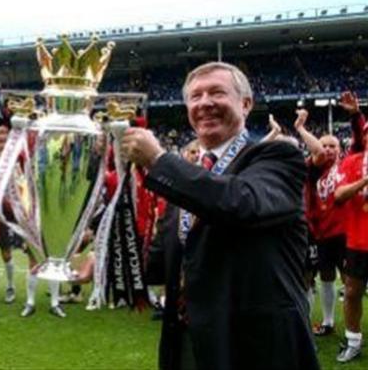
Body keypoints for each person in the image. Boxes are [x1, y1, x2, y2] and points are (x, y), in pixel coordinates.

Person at [121, 62, 318, 370]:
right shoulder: (188, 177)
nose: (205, 103)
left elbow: (240, 202)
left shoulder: (277, 157)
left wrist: (159, 160)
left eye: (217, 93)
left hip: (256, 346)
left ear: (246, 104)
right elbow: (162, 262)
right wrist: (113, 257)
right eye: (195, 96)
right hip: (190, 341)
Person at [294, 94, 365, 338]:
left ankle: (352, 328)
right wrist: (301, 128)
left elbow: (359, 138)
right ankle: (327, 321)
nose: (328, 150)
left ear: (340, 149)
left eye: (333, 146)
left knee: (350, 281)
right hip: (321, 233)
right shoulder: (313, 169)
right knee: (325, 277)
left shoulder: (347, 164)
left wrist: (355, 114)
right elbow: (318, 154)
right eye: (324, 145)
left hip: (346, 233)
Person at [334, 120, 368, 363]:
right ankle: (353, 342)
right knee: (353, 292)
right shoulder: (351, 161)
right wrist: (364, 181)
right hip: (358, 240)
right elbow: (338, 196)